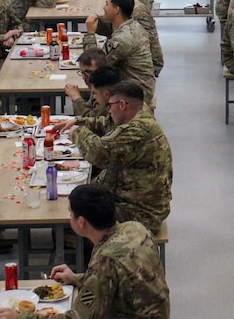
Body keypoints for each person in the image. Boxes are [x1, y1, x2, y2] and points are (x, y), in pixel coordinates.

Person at [0, 184, 169, 319]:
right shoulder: (133, 229)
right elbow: (122, 280)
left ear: (80, 222)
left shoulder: (106, 261)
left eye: (70, 212)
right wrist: (78, 279)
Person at [71, 82, 171, 236]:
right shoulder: (139, 112)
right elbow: (108, 124)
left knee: (78, 215)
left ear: (122, 105)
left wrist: (78, 132)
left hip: (140, 214)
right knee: (81, 198)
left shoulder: (139, 130)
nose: (109, 110)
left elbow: (100, 154)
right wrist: (78, 121)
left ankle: (86, 254)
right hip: (134, 200)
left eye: (110, 106)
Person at [84, 0, 156, 105]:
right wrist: (98, 24)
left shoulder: (123, 38)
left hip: (135, 93)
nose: (104, 7)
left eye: (107, 4)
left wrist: (90, 34)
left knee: (92, 89)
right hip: (140, 86)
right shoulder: (132, 25)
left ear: (116, 9)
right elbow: (111, 30)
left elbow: (94, 65)